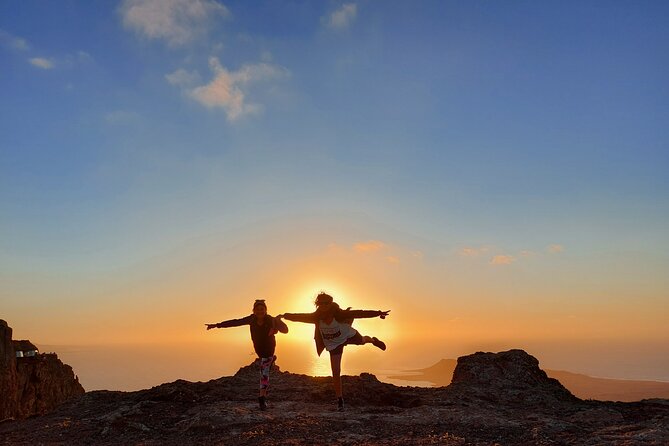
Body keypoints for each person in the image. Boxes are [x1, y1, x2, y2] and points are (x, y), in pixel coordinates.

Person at [279, 292, 390, 410]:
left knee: (363, 340)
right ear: (317, 304)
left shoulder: (339, 314)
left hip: (347, 335)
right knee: (336, 372)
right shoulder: (315, 317)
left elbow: (359, 313)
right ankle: (340, 400)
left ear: (330, 303)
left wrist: (378, 313)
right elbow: (300, 317)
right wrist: (285, 316)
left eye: (326, 303)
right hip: (334, 344)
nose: (324, 306)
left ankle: (373, 340)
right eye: (321, 303)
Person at [206, 299, 288, 410]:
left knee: (264, 373)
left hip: (269, 349)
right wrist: (217, 325)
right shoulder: (251, 319)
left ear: (266, 310)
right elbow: (235, 322)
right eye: (257, 309)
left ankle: (262, 399)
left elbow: (285, 330)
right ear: (254, 311)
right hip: (259, 349)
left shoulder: (270, 319)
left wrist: (277, 323)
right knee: (265, 363)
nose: (260, 311)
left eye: (262, 309)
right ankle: (270, 360)